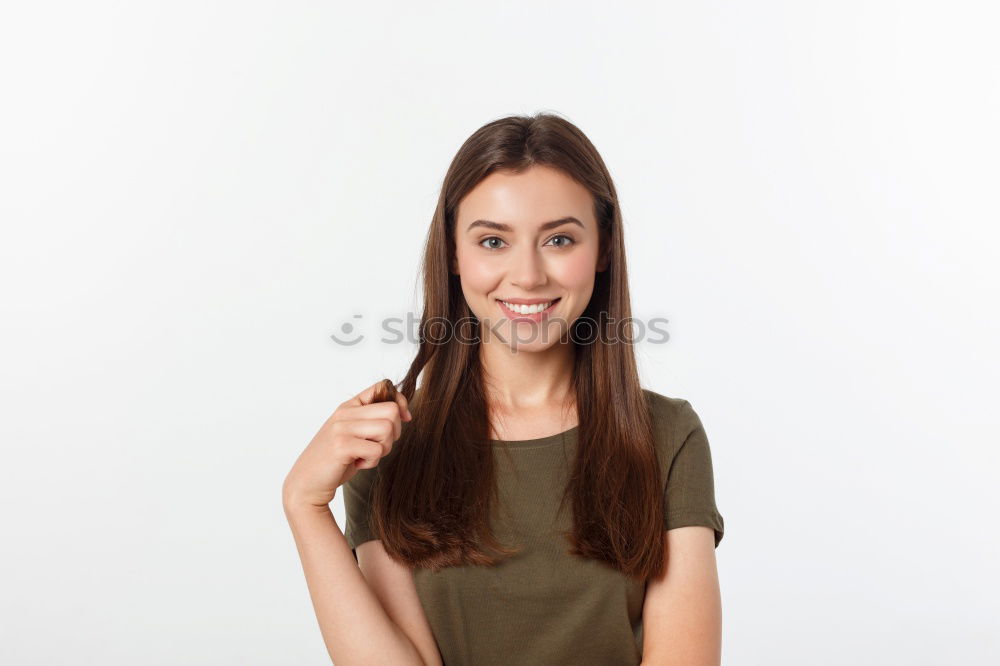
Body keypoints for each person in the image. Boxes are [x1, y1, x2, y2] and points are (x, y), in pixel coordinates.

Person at [282, 112, 725, 666]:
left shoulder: (666, 436)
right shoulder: (389, 444)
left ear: (605, 248)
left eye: (559, 239)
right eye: (493, 241)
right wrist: (304, 504)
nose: (528, 275)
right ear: (453, 254)